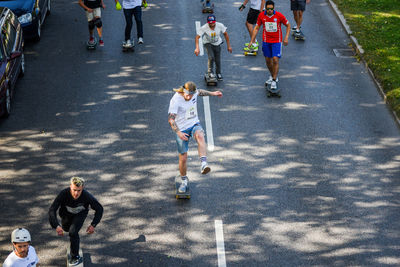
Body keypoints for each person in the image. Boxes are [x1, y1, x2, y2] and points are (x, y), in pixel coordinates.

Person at [168, 82, 222, 193]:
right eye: (187, 95)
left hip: (193, 124)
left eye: (191, 95)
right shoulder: (176, 100)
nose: (189, 97)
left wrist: (213, 93)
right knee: (183, 158)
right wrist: (179, 133)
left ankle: (203, 164)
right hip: (181, 129)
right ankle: (184, 181)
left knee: (200, 136)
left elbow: (200, 92)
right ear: (183, 91)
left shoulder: (194, 93)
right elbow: (171, 119)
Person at [49, 177, 103, 266]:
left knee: (73, 232)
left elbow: (99, 209)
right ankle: (66, 228)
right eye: (74, 190)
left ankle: (75, 256)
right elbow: (52, 209)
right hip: (66, 214)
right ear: (70, 186)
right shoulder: (63, 193)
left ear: (83, 188)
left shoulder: (87, 196)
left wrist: (93, 224)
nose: (76, 193)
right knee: (66, 229)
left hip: (80, 214)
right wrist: (56, 225)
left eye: (79, 190)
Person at [248, 0, 290, 90]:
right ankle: (272, 76)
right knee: (268, 61)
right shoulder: (261, 15)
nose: (270, 10)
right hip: (266, 41)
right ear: (265, 8)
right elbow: (256, 28)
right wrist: (252, 40)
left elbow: (288, 25)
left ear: (274, 8)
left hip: (277, 41)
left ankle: (274, 80)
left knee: (275, 59)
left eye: (271, 9)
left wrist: (286, 37)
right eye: (268, 9)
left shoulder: (279, 15)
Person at [195, 15, 232, 81]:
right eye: (210, 23)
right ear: (208, 22)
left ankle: (218, 73)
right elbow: (197, 37)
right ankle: (210, 72)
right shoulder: (204, 27)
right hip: (207, 43)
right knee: (211, 57)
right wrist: (197, 48)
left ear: (215, 22)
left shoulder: (220, 25)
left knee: (217, 59)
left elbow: (226, 35)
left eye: (213, 23)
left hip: (217, 43)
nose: (212, 24)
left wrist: (229, 46)